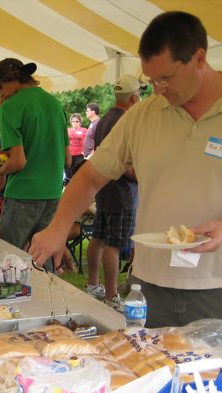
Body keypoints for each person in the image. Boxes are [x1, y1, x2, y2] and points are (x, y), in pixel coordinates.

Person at [29, 11, 222, 327]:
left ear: (199, 59)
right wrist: (59, 227)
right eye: (150, 80)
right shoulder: (142, 115)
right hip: (149, 286)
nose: (158, 90)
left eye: (166, 78)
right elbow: (91, 175)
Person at [0, 58, 70, 257]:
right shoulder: (55, 104)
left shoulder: (11, 106)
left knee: (12, 259)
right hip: (53, 193)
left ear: (13, 79)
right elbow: (67, 160)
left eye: (0, 87)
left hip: (23, 194)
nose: (2, 94)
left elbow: (18, 162)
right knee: (43, 257)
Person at [85, 75, 144, 312]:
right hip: (121, 193)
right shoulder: (125, 120)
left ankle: (93, 285)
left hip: (104, 189)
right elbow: (123, 164)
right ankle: (111, 295)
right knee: (115, 244)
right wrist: (142, 176)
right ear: (133, 98)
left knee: (99, 237)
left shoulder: (104, 120)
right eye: (140, 95)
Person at [65, 113, 87, 183]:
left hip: (79, 155)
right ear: (71, 122)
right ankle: (68, 187)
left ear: (80, 122)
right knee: (68, 175)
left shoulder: (84, 130)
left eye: (77, 121)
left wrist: (84, 152)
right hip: (69, 155)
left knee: (77, 174)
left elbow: (88, 142)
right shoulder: (67, 130)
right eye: (73, 121)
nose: (75, 123)